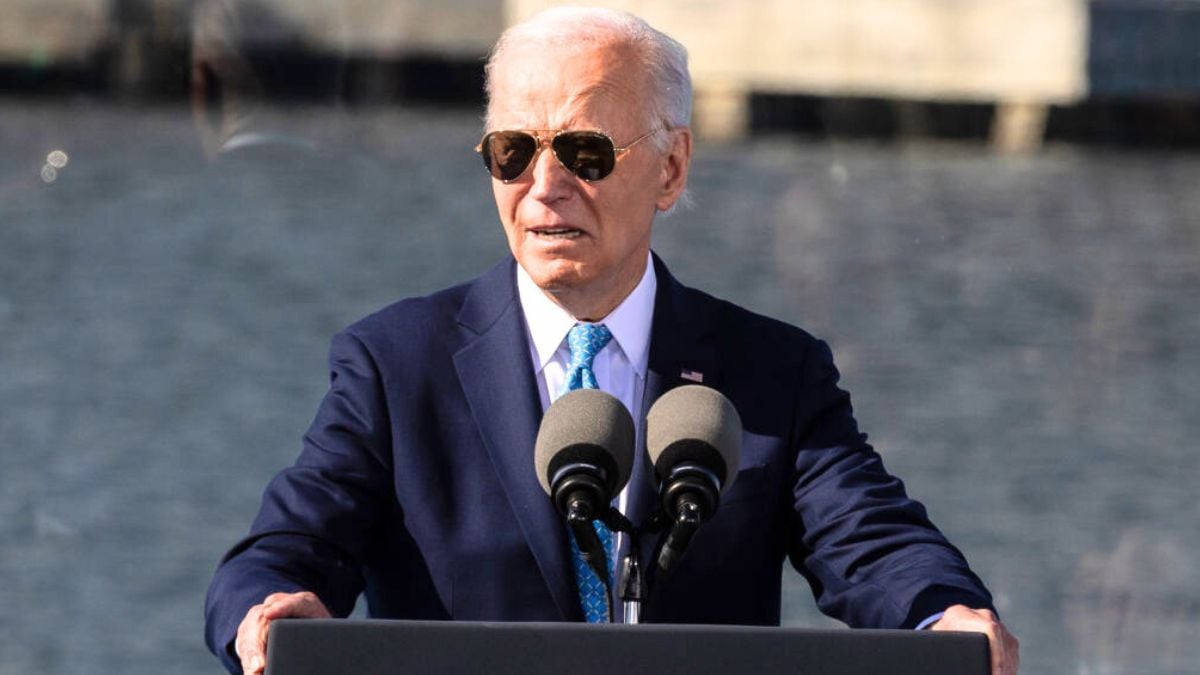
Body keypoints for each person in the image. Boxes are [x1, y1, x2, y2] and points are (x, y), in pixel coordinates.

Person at [204, 7, 1020, 675]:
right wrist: (268, 609)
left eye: (585, 152)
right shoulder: (395, 364)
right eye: (514, 152)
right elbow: (282, 552)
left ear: (671, 168)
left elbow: (874, 544)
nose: (544, 186)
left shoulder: (773, 373)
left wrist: (942, 613)